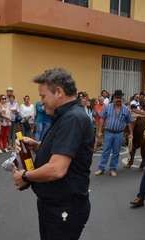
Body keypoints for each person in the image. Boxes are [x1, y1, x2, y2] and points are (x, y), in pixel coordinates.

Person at [12, 68, 93, 240]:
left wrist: (25, 176)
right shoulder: (68, 116)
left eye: (43, 96)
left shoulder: (73, 118)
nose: (41, 103)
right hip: (56, 206)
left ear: (58, 92)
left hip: (63, 208)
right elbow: (68, 149)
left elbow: (57, 169)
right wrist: (37, 145)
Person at [95, 90, 133, 177]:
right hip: (108, 132)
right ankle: (101, 168)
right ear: (114, 98)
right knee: (105, 151)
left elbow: (129, 122)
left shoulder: (126, 109)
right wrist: (100, 131)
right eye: (117, 98)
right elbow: (102, 118)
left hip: (119, 134)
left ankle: (113, 169)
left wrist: (131, 133)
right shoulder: (107, 107)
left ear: (122, 98)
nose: (118, 99)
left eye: (120, 98)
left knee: (116, 152)